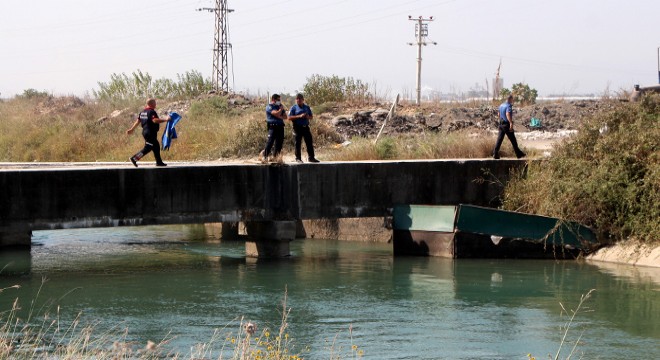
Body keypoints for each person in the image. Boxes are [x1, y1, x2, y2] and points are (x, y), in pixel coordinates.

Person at [126, 98, 170, 167]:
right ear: (152, 104)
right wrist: (166, 119)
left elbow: (138, 121)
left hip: (145, 132)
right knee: (148, 147)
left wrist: (132, 129)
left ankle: (159, 162)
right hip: (150, 133)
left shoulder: (143, 112)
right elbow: (155, 120)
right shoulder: (151, 112)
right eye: (155, 103)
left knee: (156, 146)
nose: (156, 104)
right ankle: (134, 158)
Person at [288, 93, 319, 163]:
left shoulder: (307, 107)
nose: (298, 100)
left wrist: (307, 117)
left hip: (305, 127)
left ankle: (311, 157)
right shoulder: (294, 108)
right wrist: (299, 116)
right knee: (298, 143)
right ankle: (298, 158)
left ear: (303, 100)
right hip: (297, 128)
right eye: (297, 99)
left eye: (300, 99)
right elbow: (289, 117)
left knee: (309, 142)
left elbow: (311, 116)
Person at [493, 95, 526, 159]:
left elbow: (498, 114)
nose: (512, 100)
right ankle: (519, 154)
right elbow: (507, 114)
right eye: (512, 99)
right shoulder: (508, 106)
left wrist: (501, 121)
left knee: (499, 140)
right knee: (513, 140)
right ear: (510, 99)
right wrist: (510, 123)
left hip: (501, 124)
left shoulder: (501, 105)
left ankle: (495, 153)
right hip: (506, 124)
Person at [262, 93, 287, 162]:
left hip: (280, 127)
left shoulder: (279, 106)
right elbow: (275, 113)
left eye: (279, 100)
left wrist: (279, 115)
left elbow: (285, 116)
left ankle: (275, 157)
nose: (279, 101)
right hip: (272, 127)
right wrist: (280, 111)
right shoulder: (269, 106)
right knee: (270, 142)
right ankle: (265, 156)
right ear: (273, 99)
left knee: (279, 143)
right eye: (278, 100)